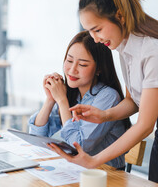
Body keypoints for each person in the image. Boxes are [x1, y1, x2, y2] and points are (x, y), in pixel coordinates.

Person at [47, 0, 158, 183]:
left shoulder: (151, 51)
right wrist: (104, 115)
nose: (95, 40)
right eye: (90, 32)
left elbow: (145, 125)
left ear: (120, 16)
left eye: (97, 30)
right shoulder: (125, 48)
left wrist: (93, 160)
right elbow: (134, 101)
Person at [29, 31, 131, 169]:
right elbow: (37, 136)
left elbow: (78, 146)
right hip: (76, 170)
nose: (72, 70)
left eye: (82, 65)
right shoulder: (74, 93)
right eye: (69, 61)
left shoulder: (108, 96)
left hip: (107, 175)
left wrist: (62, 101)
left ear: (99, 69)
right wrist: (50, 100)